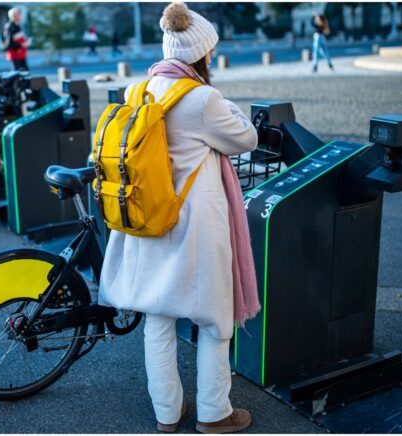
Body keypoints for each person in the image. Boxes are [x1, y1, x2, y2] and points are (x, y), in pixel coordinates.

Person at [98, 2, 258, 434]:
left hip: (149, 218)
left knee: (158, 318)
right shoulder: (203, 98)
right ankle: (214, 413)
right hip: (195, 226)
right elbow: (246, 138)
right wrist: (231, 107)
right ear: (202, 54)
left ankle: (167, 414)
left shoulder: (138, 90)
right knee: (213, 319)